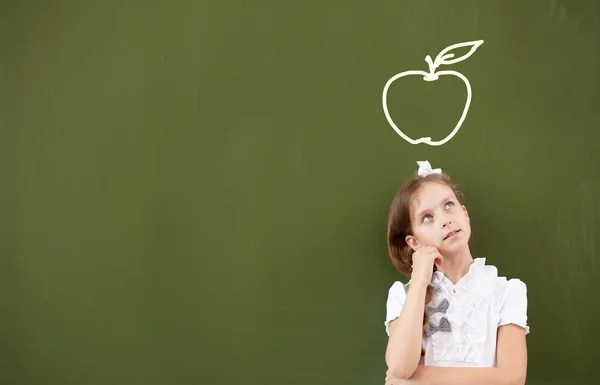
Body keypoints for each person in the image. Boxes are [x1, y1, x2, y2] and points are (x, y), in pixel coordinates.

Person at [383, 161, 529, 385]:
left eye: (449, 205)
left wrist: (416, 380)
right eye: (427, 217)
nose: (445, 220)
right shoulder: (403, 296)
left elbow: (512, 377)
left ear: (465, 213)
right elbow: (400, 366)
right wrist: (420, 282)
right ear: (414, 241)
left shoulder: (506, 292)